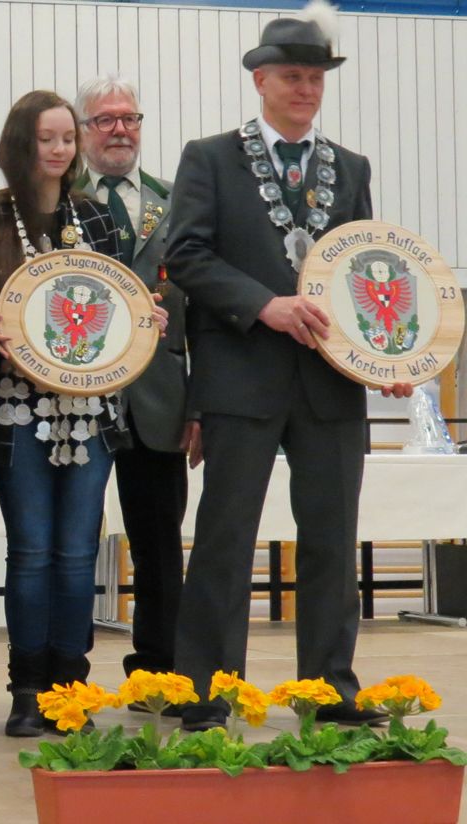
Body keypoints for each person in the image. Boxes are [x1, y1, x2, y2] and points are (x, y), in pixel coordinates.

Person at [165, 1, 413, 732]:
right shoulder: (209, 156)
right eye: (293, 77)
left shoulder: (352, 167)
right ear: (261, 81)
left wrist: (390, 349)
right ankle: (207, 690)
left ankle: (330, 689)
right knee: (224, 538)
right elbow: (185, 255)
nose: (306, 89)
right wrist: (261, 304)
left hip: (331, 381)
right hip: (241, 375)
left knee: (334, 539)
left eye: (316, 78)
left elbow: (368, 272)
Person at [0, 90, 164, 737]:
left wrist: (146, 319)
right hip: (18, 408)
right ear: (19, 146)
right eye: (43, 139)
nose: (56, 150)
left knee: (80, 554)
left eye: (63, 139)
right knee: (31, 552)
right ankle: (27, 689)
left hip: (91, 411)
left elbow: (119, 302)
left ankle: (69, 686)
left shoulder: (96, 217)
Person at [75, 74, 192, 683]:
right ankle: (64, 677)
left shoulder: (176, 200)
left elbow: (199, 308)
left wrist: (199, 406)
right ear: (81, 129)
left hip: (158, 398)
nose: (120, 129)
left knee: (159, 547)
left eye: (130, 118)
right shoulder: (57, 199)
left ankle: (160, 669)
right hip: (76, 397)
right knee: (70, 547)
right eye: (105, 119)